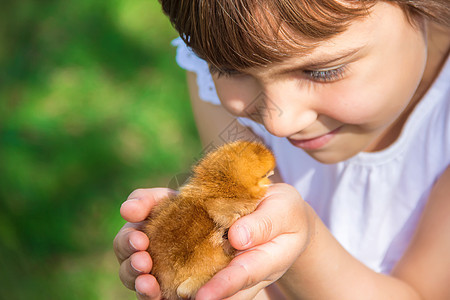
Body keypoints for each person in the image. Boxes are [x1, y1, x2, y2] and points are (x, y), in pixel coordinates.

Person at [113, 1, 450, 299]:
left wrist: (301, 246)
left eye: (323, 71)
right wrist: (221, 275)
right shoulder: (215, 61)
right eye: (229, 70)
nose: (279, 125)